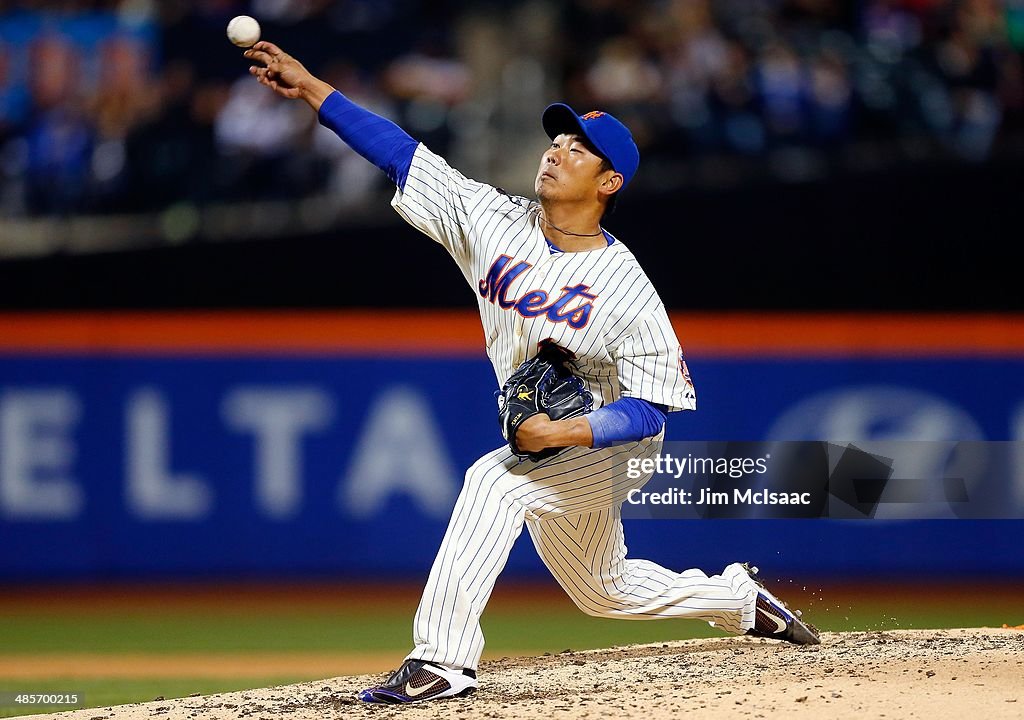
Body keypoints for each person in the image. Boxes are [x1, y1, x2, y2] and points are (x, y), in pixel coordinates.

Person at [245, 40, 820, 704]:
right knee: (601, 589)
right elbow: (400, 154)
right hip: (551, 439)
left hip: (614, 443)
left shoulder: (624, 285)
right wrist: (313, 85)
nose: (557, 152)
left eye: (579, 150)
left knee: (495, 482)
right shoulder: (492, 221)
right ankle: (737, 598)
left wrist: (565, 433)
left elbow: (651, 408)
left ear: (609, 184)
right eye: (558, 141)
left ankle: (443, 661)